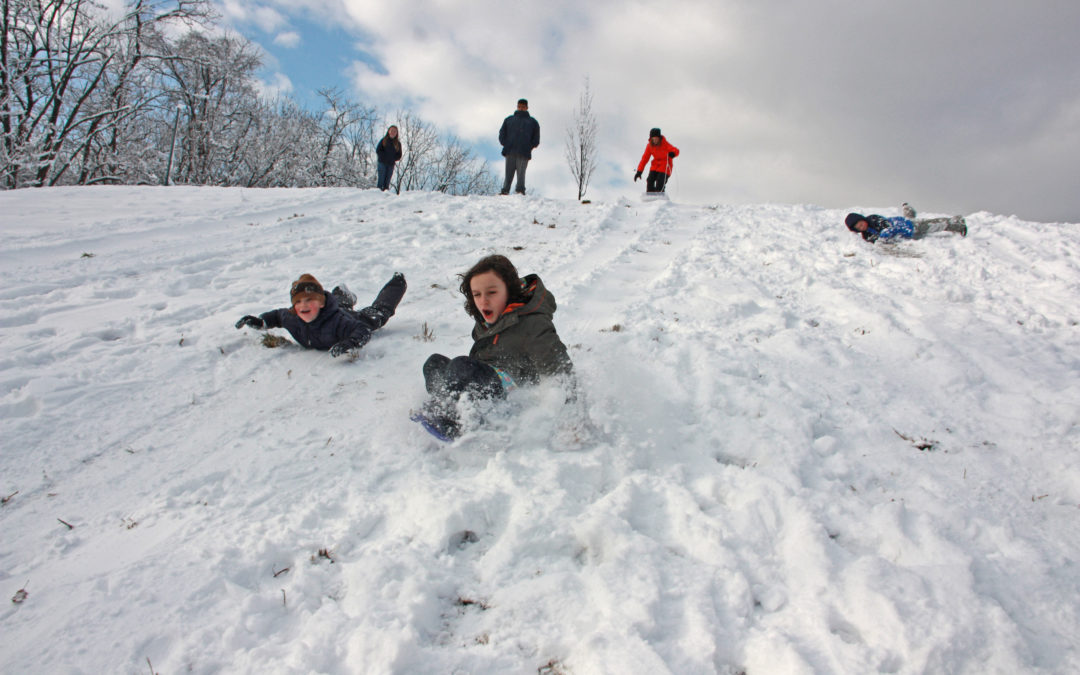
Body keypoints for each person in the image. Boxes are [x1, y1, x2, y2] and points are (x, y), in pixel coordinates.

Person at [419, 255, 572, 439]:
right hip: (488, 379)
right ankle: (442, 405)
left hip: (513, 394)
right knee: (434, 363)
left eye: (491, 292)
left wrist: (571, 420)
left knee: (461, 366)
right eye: (477, 294)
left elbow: (561, 371)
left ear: (509, 290)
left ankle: (455, 421)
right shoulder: (489, 321)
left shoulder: (533, 324)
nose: (483, 301)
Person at [235, 273, 407, 356]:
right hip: (333, 307)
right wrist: (261, 322)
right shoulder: (292, 318)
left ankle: (397, 283)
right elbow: (277, 316)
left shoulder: (339, 322)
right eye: (299, 302)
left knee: (378, 315)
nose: (303, 306)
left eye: (309, 300)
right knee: (340, 304)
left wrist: (350, 343)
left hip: (350, 316)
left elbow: (362, 330)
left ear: (321, 302)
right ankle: (341, 294)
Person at [845, 203, 967, 243]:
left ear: (863, 219)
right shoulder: (866, 235)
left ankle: (956, 223)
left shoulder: (873, 219)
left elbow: (887, 227)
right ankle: (908, 209)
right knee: (911, 217)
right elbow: (874, 241)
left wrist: (884, 235)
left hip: (908, 226)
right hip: (907, 230)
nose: (862, 227)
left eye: (861, 223)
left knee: (932, 225)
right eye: (859, 228)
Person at [498, 99, 540, 195]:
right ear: (517, 106)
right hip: (510, 150)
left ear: (527, 108)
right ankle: (505, 190)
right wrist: (506, 143)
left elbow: (536, 138)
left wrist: (529, 146)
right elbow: (502, 133)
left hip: (524, 152)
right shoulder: (509, 119)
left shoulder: (532, 122)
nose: (521, 108)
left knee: (521, 174)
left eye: (523, 107)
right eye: (519, 106)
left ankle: (520, 191)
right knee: (508, 173)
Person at [634, 128, 679, 193]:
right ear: (651, 138)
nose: (655, 140)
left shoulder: (665, 144)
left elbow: (676, 150)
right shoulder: (649, 146)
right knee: (650, 180)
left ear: (659, 138)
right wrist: (639, 171)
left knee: (660, 182)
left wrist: (673, 153)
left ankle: (660, 196)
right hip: (655, 165)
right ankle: (650, 197)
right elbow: (644, 159)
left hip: (665, 165)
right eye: (653, 139)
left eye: (656, 138)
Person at [375, 125, 402, 192]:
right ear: (389, 131)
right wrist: (383, 157)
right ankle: (377, 195)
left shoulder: (398, 144)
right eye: (392, 130)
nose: (393, 132)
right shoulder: (384, 140)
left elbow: (399, 155)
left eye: (395, 131)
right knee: (381, 180)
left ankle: (385, 198)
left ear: (396, 133)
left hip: (391, 164)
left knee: (387, 182)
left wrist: (393, 158)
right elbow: (378, 150)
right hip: (382, 163)